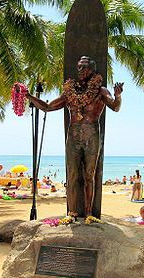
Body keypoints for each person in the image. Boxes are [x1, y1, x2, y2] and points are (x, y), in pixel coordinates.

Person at [24, 56, 123, 218]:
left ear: (92, 70)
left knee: (89, 176)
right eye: (79, 67)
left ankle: (89, 213)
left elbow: (115, 107)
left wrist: (118, 96)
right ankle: (71, 212)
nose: (80, 70)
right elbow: (48, 107)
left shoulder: (100, 91)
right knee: (72, 176)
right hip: (73, 137)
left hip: (92, 137)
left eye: (84, 67)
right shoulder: (69, 93)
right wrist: (29, 96)